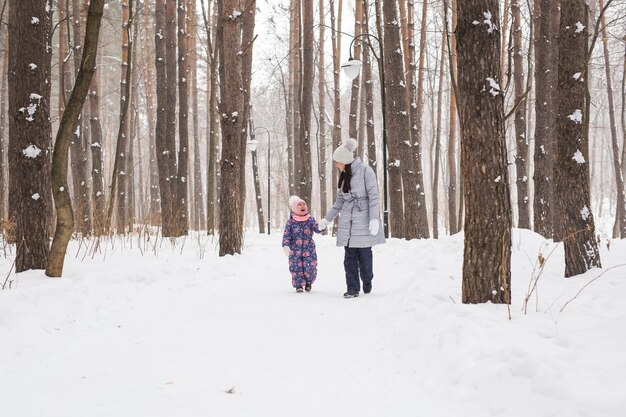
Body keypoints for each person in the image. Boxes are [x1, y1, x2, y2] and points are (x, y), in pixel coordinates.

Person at [318, 138, 385, 298]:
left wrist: (374, 218)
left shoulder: (366, 171)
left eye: (337, 162)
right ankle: (353, 289)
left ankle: (367, 280)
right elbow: (339, 202)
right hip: (348, 223)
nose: (336, 165)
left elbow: (374, 196)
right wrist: (327, 219)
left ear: (345, 161)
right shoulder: (343, 176)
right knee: (349, 260)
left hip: (363, 220)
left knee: (365, 259)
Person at [282, 196, 323, 293]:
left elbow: (317, 229)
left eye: (304, 204)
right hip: (295, 249)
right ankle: (299, 285)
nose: (302, 206)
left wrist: (322, 225)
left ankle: (309, 283)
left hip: (309, 248)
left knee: (310, 267)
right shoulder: (291, 222)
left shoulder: (310, 219)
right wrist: (286, 245)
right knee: (296, 267)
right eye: (299, 205)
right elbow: (286, 235)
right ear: (295, 208)